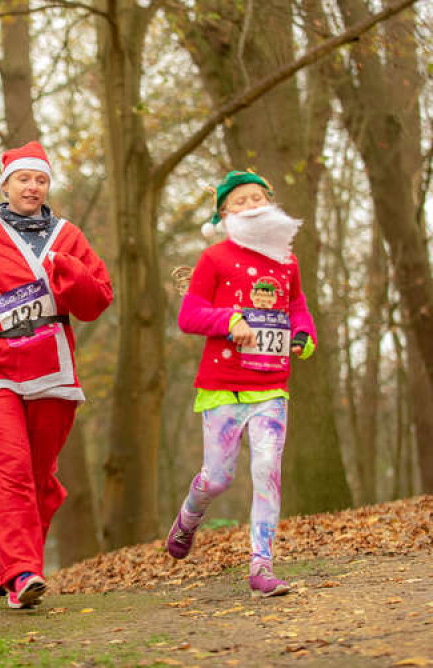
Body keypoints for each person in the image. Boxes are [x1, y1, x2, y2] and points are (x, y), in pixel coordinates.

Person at [0, 141, 113, 609]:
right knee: (10, 470)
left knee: (38, 477)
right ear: (6, 184)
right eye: (23, 179)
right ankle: (21, 573)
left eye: (41, 180)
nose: (32, 187)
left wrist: (72, 274)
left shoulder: (69, 236)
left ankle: (20, 560)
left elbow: (97, 303)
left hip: (51, 368)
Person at [164, 171, 317, 597]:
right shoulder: (215, 259)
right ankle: (189, 518)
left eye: (258, 198)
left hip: (271, 387)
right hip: (223, 387)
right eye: (241, 201)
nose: (252, 205)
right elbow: (188, 315)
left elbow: (298, 308)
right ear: (225, 214)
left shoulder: (287, 261)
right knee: (218, 477)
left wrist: (304, 335)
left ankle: (261, 564)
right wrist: (229, 320)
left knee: (267, 471)